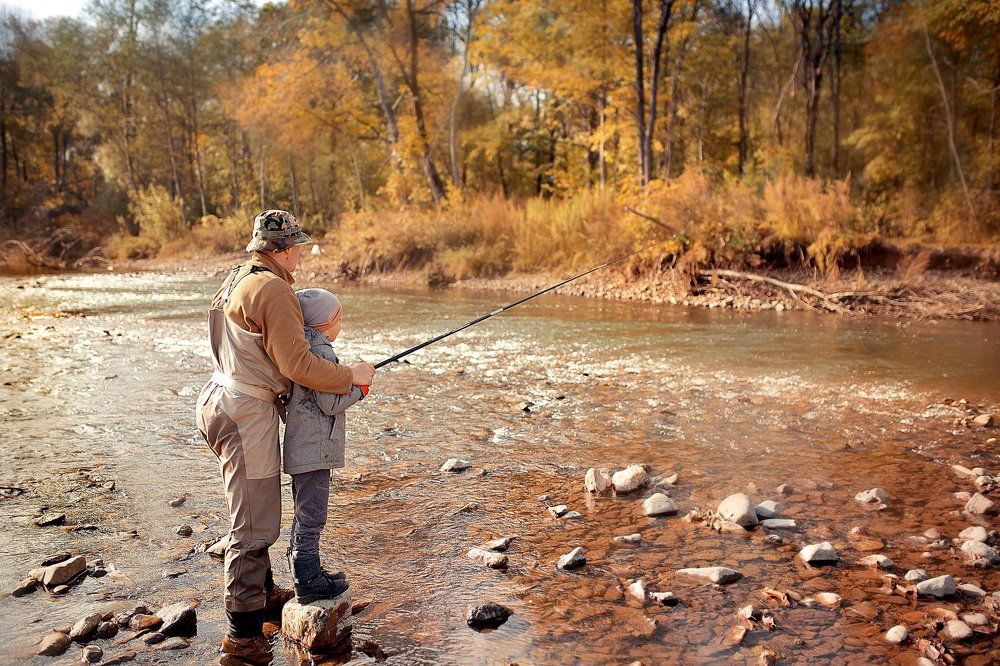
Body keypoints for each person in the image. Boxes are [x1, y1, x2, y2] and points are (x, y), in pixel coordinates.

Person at [196, 210, 375, 665]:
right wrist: (350, 376)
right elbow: (300, 366)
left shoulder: (240, 275)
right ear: (281, 248)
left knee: (255, 510)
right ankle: (242, 638)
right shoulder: (273, 288)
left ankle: (260, 595)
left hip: (220, 397)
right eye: (297, 245)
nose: (301, 252)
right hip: (244, 410)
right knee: (254, 525)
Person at [283, 288, 366, 602]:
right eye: (339, 318)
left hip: (303, 447)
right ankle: (308, 581)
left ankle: (306, 570)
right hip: (314, 450)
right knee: (313, 514)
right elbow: (331, 403)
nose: (341, 324)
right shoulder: (322, 352)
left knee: (303, 512)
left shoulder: (302, 347)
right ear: (325, 323)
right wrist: (361, 389)